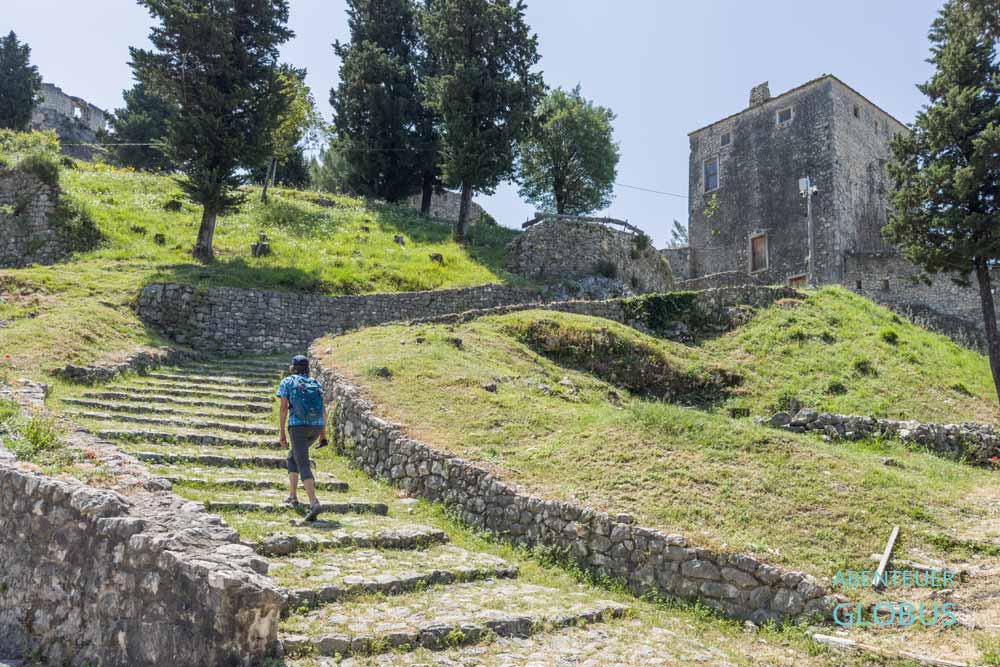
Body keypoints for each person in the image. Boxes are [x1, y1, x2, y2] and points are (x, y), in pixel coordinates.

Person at [276, 354, 328, 522]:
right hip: (316, 426)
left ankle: (314, 503)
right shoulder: (316, 383)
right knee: (293, 457)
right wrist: (323, 435)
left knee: (302, 461)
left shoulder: (288, 382)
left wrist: (282, 432)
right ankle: (293, 495)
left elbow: (284, 409)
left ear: (293, 367)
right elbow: (323, 411)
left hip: (298, 426)